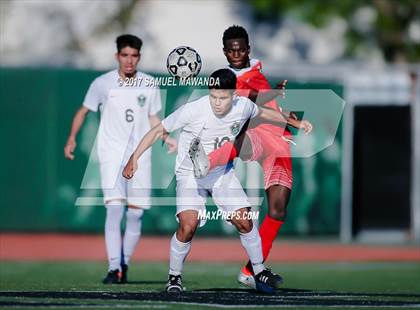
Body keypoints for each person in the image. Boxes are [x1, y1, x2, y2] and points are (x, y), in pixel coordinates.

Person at [123, 69, 291, 293]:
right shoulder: (194, 109)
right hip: (190, 175)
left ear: (234, 94)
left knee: (245, 221)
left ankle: (259, 271)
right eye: (213, 96)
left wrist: (291, 122)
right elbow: (157, 130)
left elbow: (262, 112)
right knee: (188, 226)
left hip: (221, 173)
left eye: (223, 97)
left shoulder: (243, 105)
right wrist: (134, 157)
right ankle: (174, 277)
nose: (217, 102)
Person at [190, 26, 313, 289]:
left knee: (278, 211)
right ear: (225, 51)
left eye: (241, 48)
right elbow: (248, 101)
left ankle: (249, 271)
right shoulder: (226, 79)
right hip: (257, 136)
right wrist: (276, 101)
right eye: (231, 49)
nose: (236, 53)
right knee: (242, 143)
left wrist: (278, 102)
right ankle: (206, 163)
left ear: (248, 48)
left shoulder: (256, 71)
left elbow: (261, 99)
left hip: (279, 141)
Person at [64, 34, 176, 284]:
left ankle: (124, 262)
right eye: (124, 55)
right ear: (117, 56)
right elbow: (83, 111)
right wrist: (72, 138)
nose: (129, 60)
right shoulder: (102, 83)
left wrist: (165, 137)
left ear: (139, 57)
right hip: (111, 153)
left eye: (134, 55)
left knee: (135, 215)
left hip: (140, 157)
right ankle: (114, 267)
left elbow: (153, 118)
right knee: (114, 209)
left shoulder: (149, 83)